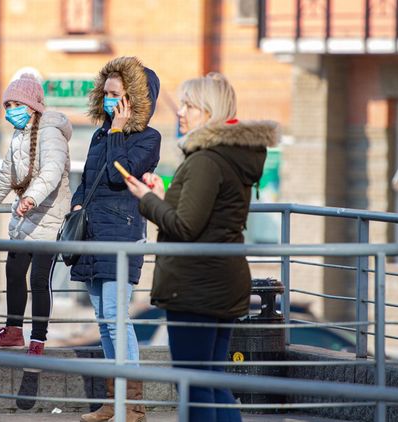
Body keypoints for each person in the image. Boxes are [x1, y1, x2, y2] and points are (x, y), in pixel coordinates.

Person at [125, 72, 279, 422]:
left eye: (189, 106)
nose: (180, 112)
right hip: (220, 280)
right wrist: (162, 197)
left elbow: (185, 226)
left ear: (209, 112)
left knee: (194, 384)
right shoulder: (228, 156)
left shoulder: (205, 160)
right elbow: (204, 217)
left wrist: (147, 200)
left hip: (196, 286)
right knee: (211, 381)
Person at [76, 56, 161, 422]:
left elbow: (117, 175)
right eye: (106, 93)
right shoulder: (100, 134)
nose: (109, 101)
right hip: (93, 233)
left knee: (116, 317)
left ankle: (133, 405)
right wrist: (77, 202)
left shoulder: (149, 138)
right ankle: (114, 402)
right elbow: (88, 179)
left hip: (122, 234)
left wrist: (117, 132)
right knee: (103, 319)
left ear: (133, 99)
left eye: (116, 95)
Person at [0, 74, 73, 361]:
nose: (10, 111)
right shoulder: (19, 136)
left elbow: (52, 171)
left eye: (16, 104)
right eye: (7, 105)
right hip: (24, 218)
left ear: (32, 107)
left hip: (49, 217)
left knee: (39, 279)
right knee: (14, 272)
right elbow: (6, 173)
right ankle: (13, 331)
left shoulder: (50, 132)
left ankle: (37, 340)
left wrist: (30, 197)